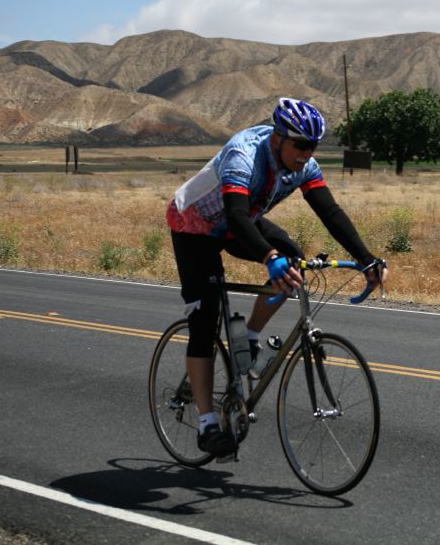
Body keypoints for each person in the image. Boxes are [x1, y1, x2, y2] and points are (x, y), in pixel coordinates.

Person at [166, 97, 387, 455]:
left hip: (240, 222)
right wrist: (269, 256)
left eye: (312, 146)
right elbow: (236, 216)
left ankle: (250, 338)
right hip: (195, 227)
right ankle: (207, 425)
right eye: (300, 145)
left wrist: (366, 258)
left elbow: (329, 211)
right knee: (206, 319)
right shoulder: (244, 154)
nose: (305, 153)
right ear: (277, 139)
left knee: (295, 264)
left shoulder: (305, 165)